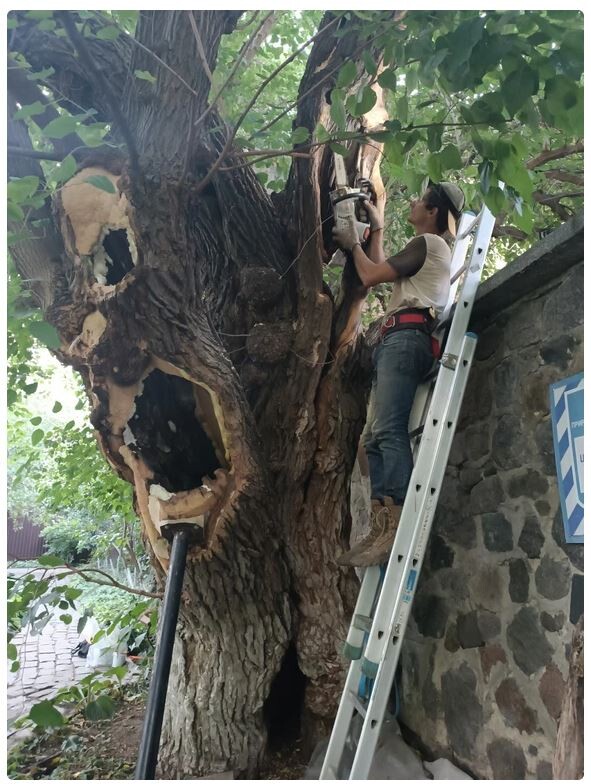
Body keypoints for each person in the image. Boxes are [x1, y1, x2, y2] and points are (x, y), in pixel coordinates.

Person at [333, 181, 465, 567]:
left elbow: (370, 276)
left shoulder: (430, 245)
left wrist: (351, 242)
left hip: (406, 338)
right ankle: (381, 521)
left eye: (420, 198)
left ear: (435, 211)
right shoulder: (425, 248)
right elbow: (382, 267)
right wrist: (377, 229)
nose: (412, 200)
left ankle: (394, 522)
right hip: (402, 339)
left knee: (387, 430)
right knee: (374, 436)